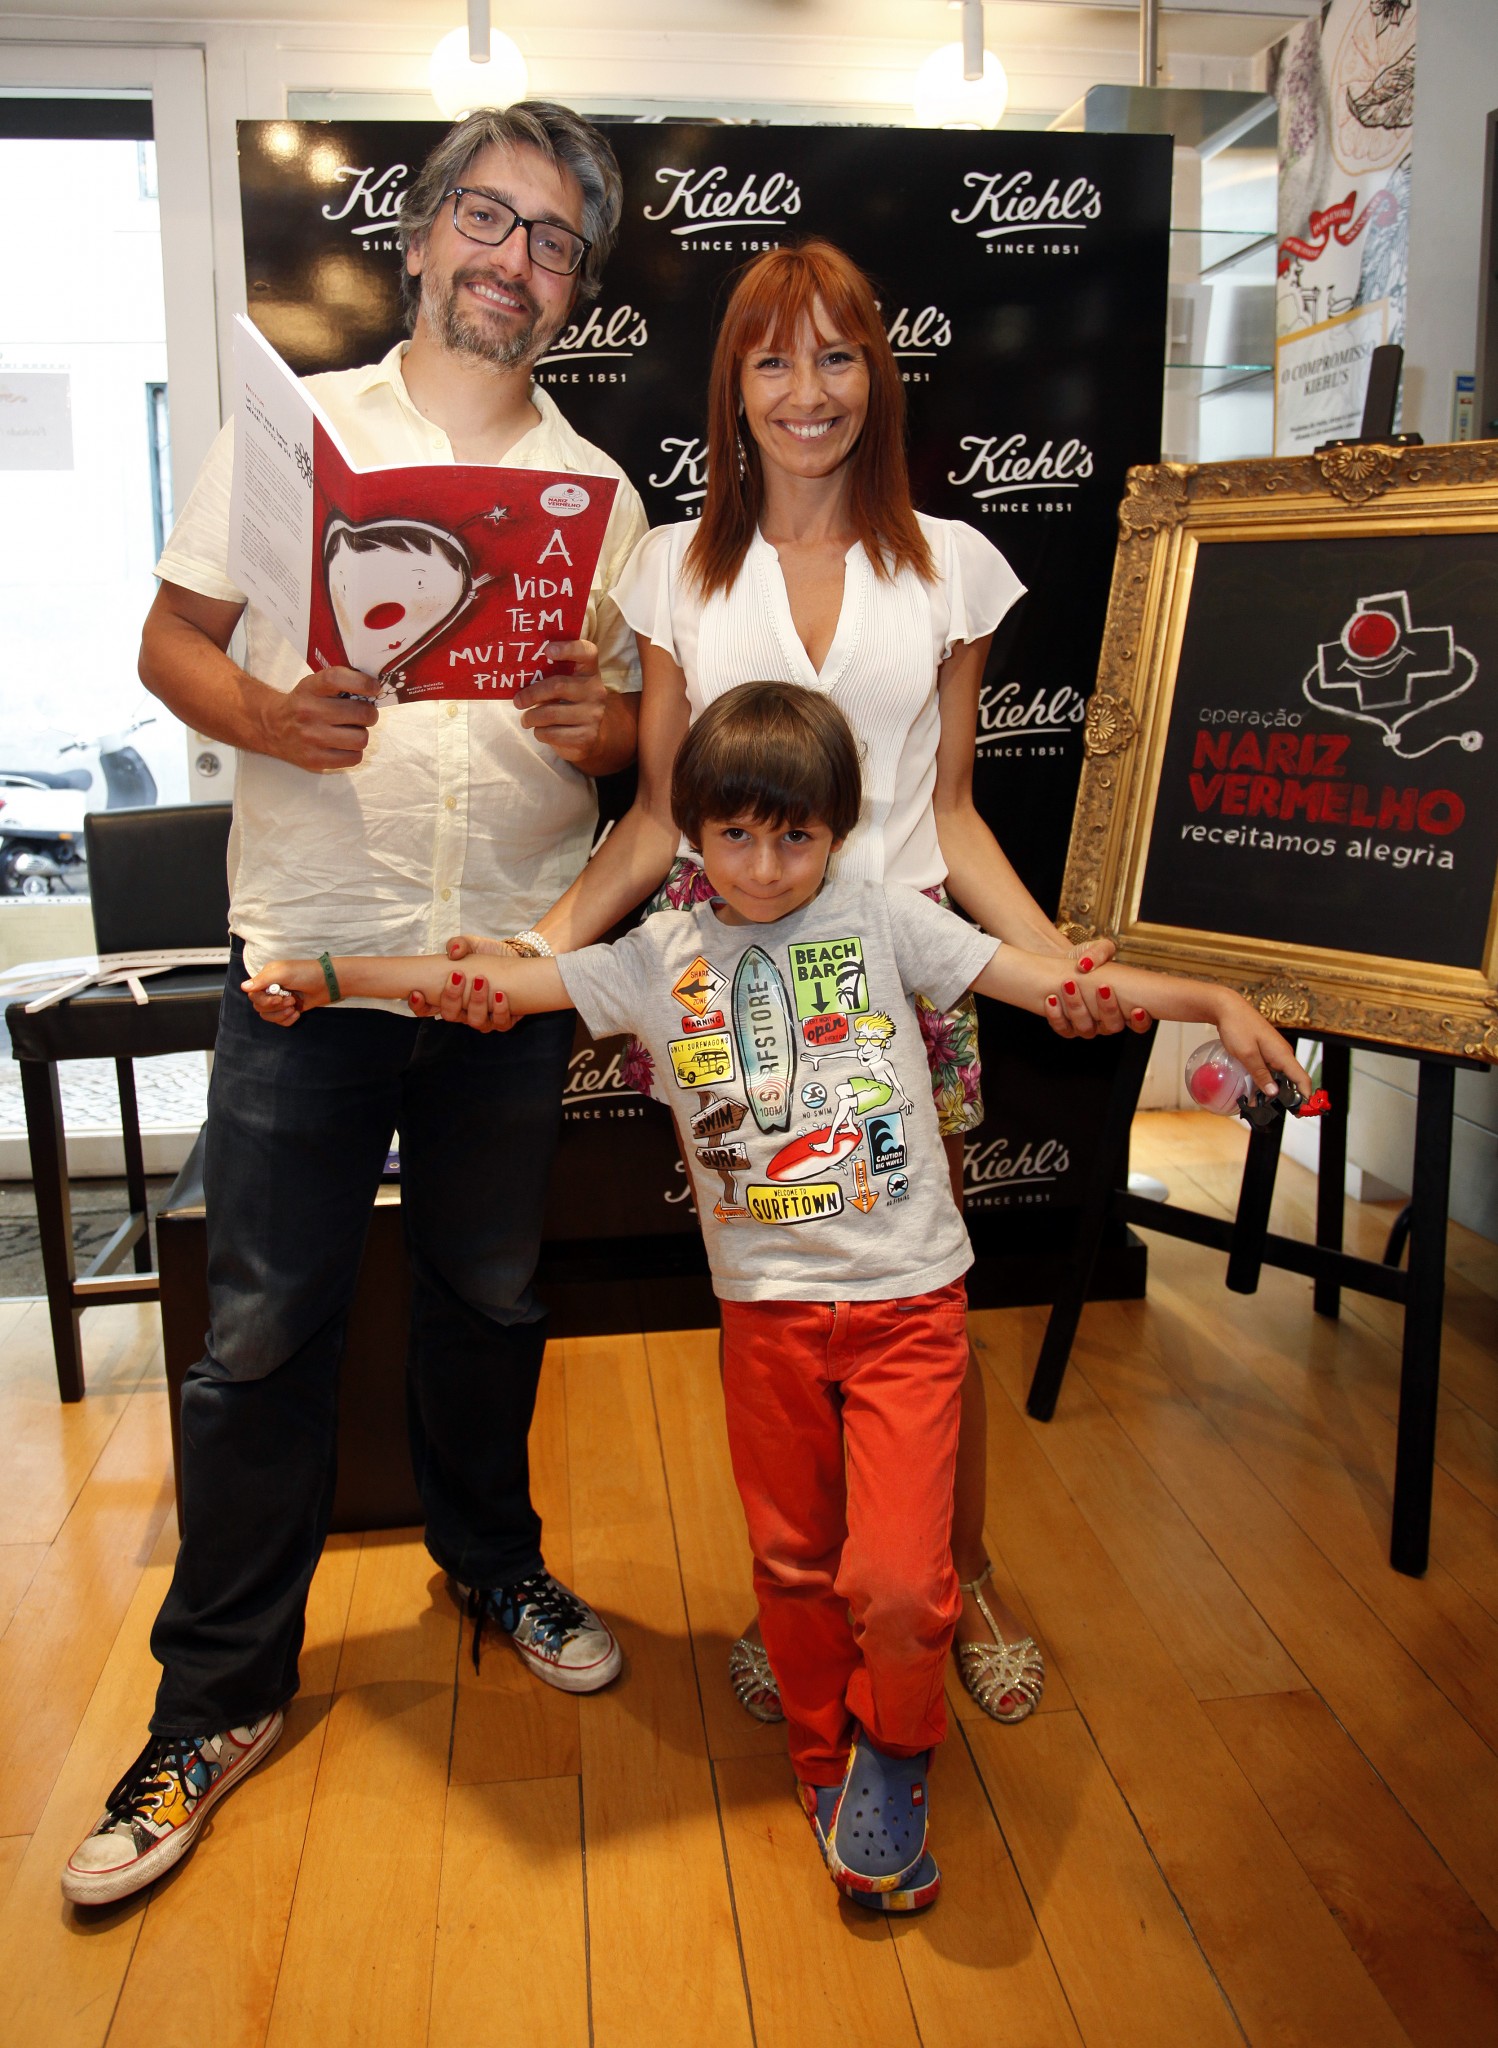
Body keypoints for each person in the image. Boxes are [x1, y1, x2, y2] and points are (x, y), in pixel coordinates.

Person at [243, 680, 1314, 1914]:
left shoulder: (889, 920)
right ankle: (824, 1763)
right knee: (794, 1562)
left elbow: (1048, 981)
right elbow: (499, 986)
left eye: (794, 834)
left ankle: (898, 1747)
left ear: (839, 831)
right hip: (764, 1318)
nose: (762, 865)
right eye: (735, 834)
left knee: (901, 1582)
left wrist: (1212, 1002)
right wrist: (329, 974)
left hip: (910, 1307)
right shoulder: (657, 955)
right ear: (693, 830)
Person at [420, 237, 1146, 1729]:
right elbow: (650, 820)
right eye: (771, 361)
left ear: (876, 374)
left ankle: (962, 1574)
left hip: (901, 980)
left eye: (834, 356)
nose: (805, 391)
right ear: (733, 388)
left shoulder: (950, 563)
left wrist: (1054, 957)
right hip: (735, 993)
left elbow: (950, 814)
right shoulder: (676, 571)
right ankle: (799, 1597)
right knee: (775, 1324)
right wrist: (541, 951)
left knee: (919, 1300)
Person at [61, 101, 650, 1910]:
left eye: (551, 239)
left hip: (498, 973)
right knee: (256, 1337)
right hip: (309, 958)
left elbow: (635, 730)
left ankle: (488, 1560)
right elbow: (168, 641)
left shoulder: (604, 495)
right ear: (418, 233)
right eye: (487, 217)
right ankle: (216, 1695)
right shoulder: (291, 434)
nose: (513, 259)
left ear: (574, 287)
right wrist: (265, 715)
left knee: (489, 1296)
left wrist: (609, 727)